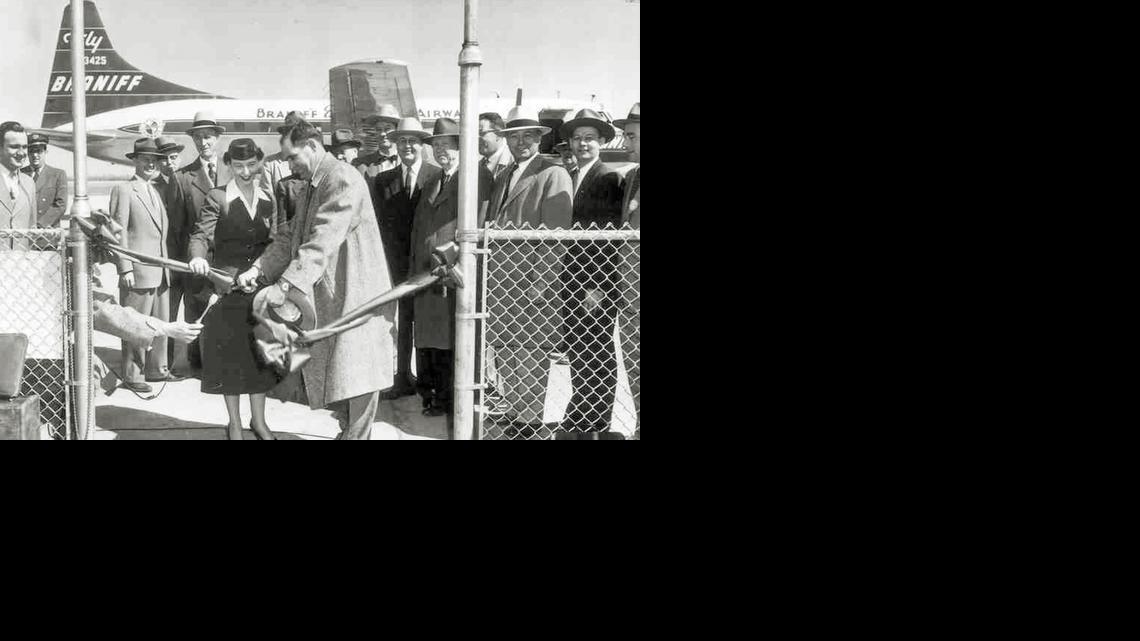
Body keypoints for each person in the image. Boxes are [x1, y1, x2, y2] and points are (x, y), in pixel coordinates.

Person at [236, 119, 395, 440]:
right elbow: (289, 237)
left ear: (312, 146)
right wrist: (258, 269)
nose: (290, 165)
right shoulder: (314, 183)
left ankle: (355, 436)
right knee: (342, 373)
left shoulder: (342, 179)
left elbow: (321, 240)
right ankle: (350, 432)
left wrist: (285, 286)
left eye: (293, 156)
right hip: (336, 297)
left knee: (361, 374)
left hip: (359, 297)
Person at [486, 105, 574, 428]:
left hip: (531, 287)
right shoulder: (506, 174)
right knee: (508, 354)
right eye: (514, 136)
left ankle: (531, 421)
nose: (521, 142)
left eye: (528, 136)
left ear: (539, 138)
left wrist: (541, 284)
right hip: (503, 285)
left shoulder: (552, 173)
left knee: (531, 357)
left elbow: (555, 237)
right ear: (507, 140)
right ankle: (516, 412)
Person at [188, 139, 280, 440]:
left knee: (259, 359)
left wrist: (263, 270)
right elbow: (200, 235)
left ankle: (259, 421)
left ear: (259, 163)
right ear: (229, 164)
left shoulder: (269, 197)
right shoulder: (218, 197)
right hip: (227, 290)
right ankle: (235, 424)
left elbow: (276, 243)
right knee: (231, 361)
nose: (245, 171)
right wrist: (198, 257)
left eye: (251, 164)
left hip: (259, 290)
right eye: (238, 165)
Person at [409, 118, 492, 417]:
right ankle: (431, 393)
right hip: (426, 272)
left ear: (461, 147)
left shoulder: (475, 176)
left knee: (450, 338)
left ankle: (449, 398)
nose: (441, 150)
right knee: (430, 338)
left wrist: (458, 260)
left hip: (452, 270)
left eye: (448, 144)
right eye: (437, 145)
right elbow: (419, 227)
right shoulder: (434, 180)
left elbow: (480, 221)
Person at [558, 108, 625, 437]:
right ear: (569, 142)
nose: (583, 144)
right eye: (577, 138)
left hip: (593, 284)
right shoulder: (570, 176)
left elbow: (607, 241)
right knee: (577, 348)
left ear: (601, 142)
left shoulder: (609, 178)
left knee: (596, 349)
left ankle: (598, 418)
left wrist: (596, 286)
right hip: (570, 281)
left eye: (590, 138)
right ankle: (580, 408)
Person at [372, 116, 437, 399]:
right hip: (396, 264)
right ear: (395, 145)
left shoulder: (436, 176)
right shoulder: (383, 180)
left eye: (413, 141)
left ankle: (426, 379)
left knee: (425, 321)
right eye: (402, 141)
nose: (407, 146)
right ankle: (399, 376)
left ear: (422, 145)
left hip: (426, 263)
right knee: (400, 323)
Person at [110, 138, 176, 393]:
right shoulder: (124, 189)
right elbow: (118, 233)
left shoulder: (154, 191)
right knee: (135, 326)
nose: (151, 164)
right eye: (145, 159)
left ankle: (157, 369)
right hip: (137, 272)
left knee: (161, 324)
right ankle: (133, 373)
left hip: (160, 271)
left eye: (155, 160)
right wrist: (124, 267)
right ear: (135, 161)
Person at [177, 111, 228, 370]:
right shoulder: (184, 177)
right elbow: (179, 226)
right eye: (198, 138)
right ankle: (198, 365)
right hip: (198, 260)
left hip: (230, 260)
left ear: (217, 138)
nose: (203, 143)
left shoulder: (234, 172)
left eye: (208, 137)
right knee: (197, 311)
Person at [154, 135, 198, 376]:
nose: (169, 163)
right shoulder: (154, 187)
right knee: (167, 315)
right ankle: (164, 364)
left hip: (189, 260)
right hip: (167, 261)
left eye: (173, 158)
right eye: (163, 159)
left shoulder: (187, 181)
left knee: (193, 312)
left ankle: (195, 362)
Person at [615, 102, 640, 436]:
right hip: (630, 291)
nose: (626, 143)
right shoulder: (633, 176)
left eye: (632, 136)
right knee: (634, 365)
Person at [21, 133, 67, 229]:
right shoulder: (19, 174)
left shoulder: (58, 175)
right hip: (24, 231)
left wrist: (40, 225)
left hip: (47, 232)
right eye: (31, 151)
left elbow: (60, 205)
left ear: (46, 152)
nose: (35, 155)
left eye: (39, 151)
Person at [0, 121, 35, 251]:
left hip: (20, 265)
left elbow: (32, 228)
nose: (21, 153)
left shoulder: (29, 183)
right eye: (14, 147)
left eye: (25, 147)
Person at [354, 104, 402, 181]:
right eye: (378, 129)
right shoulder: (361, 165)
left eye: (387, 129)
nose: (382, 134)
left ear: (397, 130)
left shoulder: (408, 162)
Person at [261, 111, 305, 193]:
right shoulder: (270, 164)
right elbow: (267, 196)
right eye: (287, 133)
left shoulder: (311, 162)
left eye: (297, 134)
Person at [478, 112, 513, 181]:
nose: (477, 138)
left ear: (499, 134)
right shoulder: (478, 165)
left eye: (481, 133)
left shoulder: (512, 162)